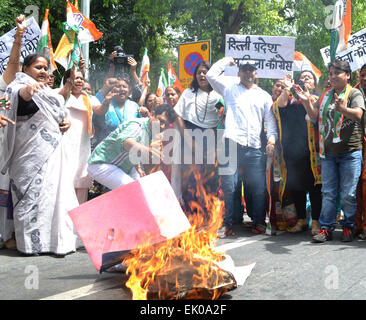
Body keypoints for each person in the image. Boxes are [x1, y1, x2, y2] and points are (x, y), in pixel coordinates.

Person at [0, 53, 80, 256]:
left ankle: (53, 243)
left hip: (51, 154)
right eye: (38, 67)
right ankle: (28, 245)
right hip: (27, 156)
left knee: (50, 198)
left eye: (46, 68)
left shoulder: (49, 94)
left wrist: (65, 123)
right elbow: (22, 98)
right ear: (25, 69)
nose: (44, 71)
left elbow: (59, 114)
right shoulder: (16, 88)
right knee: (28, 199)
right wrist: (28, 90)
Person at [206, 58, 277, 236]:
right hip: (231, 145)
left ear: (256, 73)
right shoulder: (229, 89)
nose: (247, 73)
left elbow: (270, 121)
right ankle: (226, 224)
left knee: (258, 188)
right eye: (244, 69)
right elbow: (210, 75)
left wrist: (271, 141)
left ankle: (259, 223)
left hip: (254, 148)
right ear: (239, 73)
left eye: (251, 69)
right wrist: (226, 61)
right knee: (229, 187)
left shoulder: (264, 95)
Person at [299, 60, 365, 243]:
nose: (333, 76)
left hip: (350, 153)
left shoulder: (354, 93)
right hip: (328, 153)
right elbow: (314, 117)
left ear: (348, 75)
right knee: (328, 192)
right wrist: (306, 102)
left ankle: (348, 226)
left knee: (348, 194)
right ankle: (326, 228)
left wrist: (342, 108)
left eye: (338, 73)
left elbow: (359, 114)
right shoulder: (326, 95)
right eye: (331, 73)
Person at [273, 70, 322, 236]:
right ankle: (301, 220)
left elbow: (315, 117)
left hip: (311, 151)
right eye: (302, 76)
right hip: (291, 151)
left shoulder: (317, 100)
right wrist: (287, 88)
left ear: (314, 84)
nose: (306, 78)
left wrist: (305, 100)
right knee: (296, 187)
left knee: (315, 186)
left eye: (309, 77)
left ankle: (316, 221)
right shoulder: (288, 100)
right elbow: (278, 107)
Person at [173, 61, 223, 220]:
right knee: (190, 181)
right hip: (190, 137)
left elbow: (225, 117)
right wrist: (188, 139)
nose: (202, 75)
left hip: (211, 139)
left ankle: (208, 218)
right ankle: (191, 217)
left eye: (205, 72)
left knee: (209, 179)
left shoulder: (219, 94)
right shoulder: (188, 93)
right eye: (199, 72)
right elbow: (178, 116)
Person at [87, 104, 177, 189]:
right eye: (161, 121)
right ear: (152, 114)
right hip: (102, 164)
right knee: (133, 190)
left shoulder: (151, 130)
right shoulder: (137, 126)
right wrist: (146, 150)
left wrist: (138, 168)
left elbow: (134, 151)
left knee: (142, 188)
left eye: (166, 125)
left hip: (122, 166)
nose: (162, 126)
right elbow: (126, 142)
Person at [61, 68, 107, 205]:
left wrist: (106, 102)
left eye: (81, 78)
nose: (79, 80)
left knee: (81, 181)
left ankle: (77, 223)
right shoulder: (61, 96)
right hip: (64, 144)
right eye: (76, 78)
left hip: (82, 145)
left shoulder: (89, 98)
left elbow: (100, 110)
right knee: (65, 182)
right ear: (68, 80)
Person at [94, 75, 143, 146]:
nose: (121, 89)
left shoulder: (135, 106)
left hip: (129, 149)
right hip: (107, 148)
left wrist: (145, 113)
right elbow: (96, 101)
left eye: (124, 86)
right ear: (112, 89)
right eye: (118, 86)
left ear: (129, 91)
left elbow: (141, 126)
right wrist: (105, 87)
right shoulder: (105, 103)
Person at [354, 63, 366, 239]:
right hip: (355, 143)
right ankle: (358, 225)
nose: (365, 79)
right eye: (363, 75)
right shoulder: (353, 93)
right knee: (357, 184)